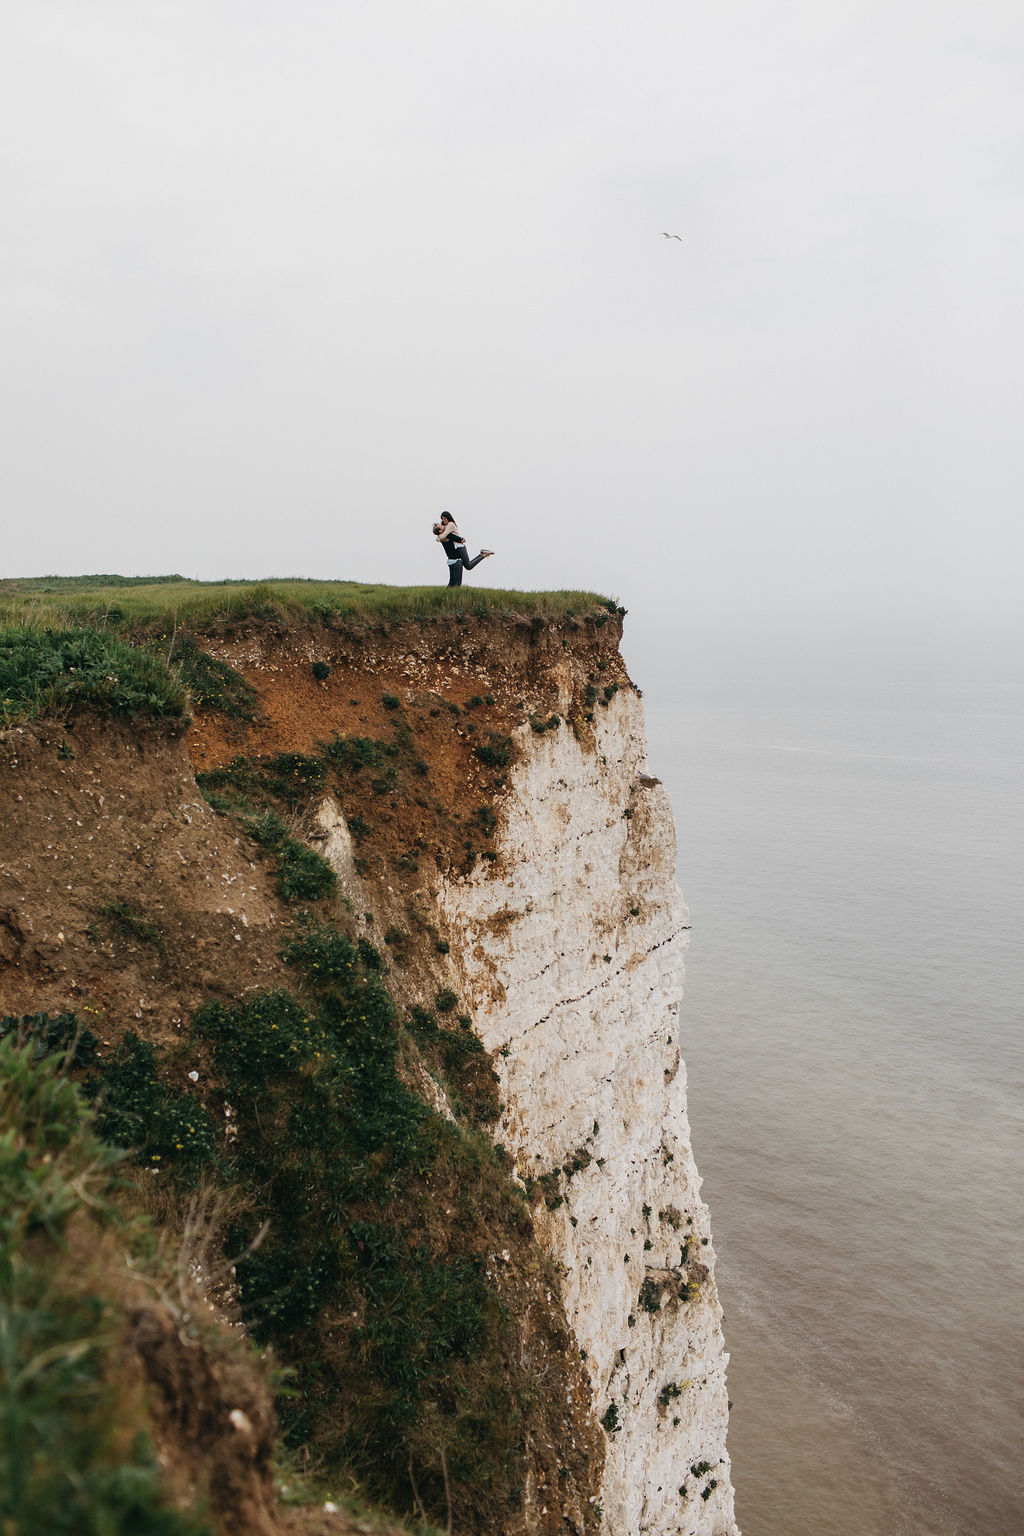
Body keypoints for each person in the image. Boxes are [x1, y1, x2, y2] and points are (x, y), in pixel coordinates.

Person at [432, 511, 494, 587]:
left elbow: (444, 535)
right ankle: (482, 554)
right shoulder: (444, 527)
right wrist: (439, 537)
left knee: (468, 566)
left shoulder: (450, 524)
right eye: (442, 519)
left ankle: (482, 555)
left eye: (444, 518)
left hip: (460, 546)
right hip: (456, 547)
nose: (443, 520)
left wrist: (440, 537)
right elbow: (441, 536)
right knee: (468, 567)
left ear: (448, 517)